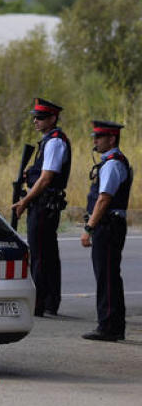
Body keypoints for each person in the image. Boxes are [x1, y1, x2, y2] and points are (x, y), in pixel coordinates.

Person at [11, 98, 70, 317]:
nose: (36, 121)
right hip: (45, 203)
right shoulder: (49, 140)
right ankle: (49, 301)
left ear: (53, 118)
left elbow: (46, 179)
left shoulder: (54, 142)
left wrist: (25, 202)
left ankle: (40, 302)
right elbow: (41, 174)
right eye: (35, 117)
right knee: (47, 253)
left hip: (44, 204)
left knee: (40, 255)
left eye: (41, 117)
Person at [81, 120, 133, 342]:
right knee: (108, 275)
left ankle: (109, 326)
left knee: (107, 276)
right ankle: (111, 324)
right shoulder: (111, 162)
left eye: (99, 137)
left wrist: (89, 228)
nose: (95, 141)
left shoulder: (112, 164)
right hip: (111, 225)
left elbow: (104, 199)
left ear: (111, 139)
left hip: (108, 226)